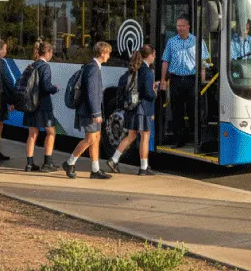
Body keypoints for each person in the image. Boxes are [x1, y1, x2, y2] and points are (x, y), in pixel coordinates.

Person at [63, 41, 113, 180]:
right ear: (102, 53)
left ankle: (95, 170)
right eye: (108, 53)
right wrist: (96, 113)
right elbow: (91, 92)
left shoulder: (93, 67)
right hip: (89, 111)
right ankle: (69, 162)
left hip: (91, 110)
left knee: (96, 138)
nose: (109, 56)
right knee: (90, 138)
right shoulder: (92, 68)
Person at [160, 14, 209, 148]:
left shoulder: (197, 41)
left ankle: (196, 140)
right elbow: (165, 61)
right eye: (178, 26)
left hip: (191, 80)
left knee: (194, 110)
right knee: (177, 111)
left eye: (182, 26)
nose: (180, 28)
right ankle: (179, 140)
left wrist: (201, 82)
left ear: (188, 26)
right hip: (175, 80)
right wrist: (163, 80)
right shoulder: (171, 42)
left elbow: (202, 63)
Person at [107, 45, 157, 176]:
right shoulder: (147, 71)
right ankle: (144, 168)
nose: (154, 57)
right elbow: (147, 93)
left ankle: (114, 159)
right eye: (153, 55)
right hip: (143, 109)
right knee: (145, 137)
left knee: (131, 136)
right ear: (150, 55)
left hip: (131, 107)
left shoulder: (134, 68)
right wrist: (155, 92)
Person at [22, 41, 60, 172]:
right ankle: (47, 163)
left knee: (32, 134)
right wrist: (54, 89)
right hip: (42, 105)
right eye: (51, 53)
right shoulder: (45, 66)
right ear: (48, 53)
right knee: (51, 133)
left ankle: (29, 164)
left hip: (30, 104)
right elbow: (45, 86)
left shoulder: (31, 65)